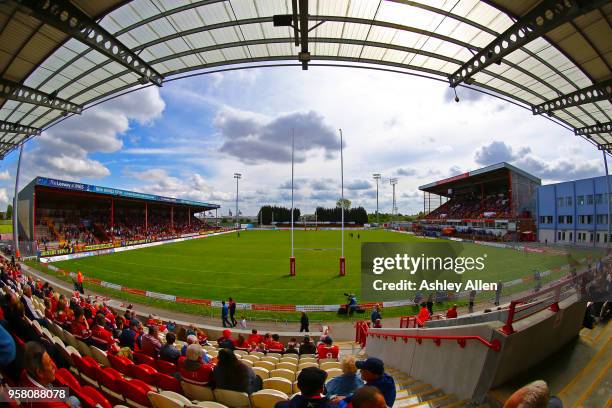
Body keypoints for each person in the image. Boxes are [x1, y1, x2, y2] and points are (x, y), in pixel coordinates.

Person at [19, 341, 71, 408]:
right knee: (74, 400)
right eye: (49, 363)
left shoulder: (25, 373)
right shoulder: (52, 403)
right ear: (40, 372)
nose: (53, 366)